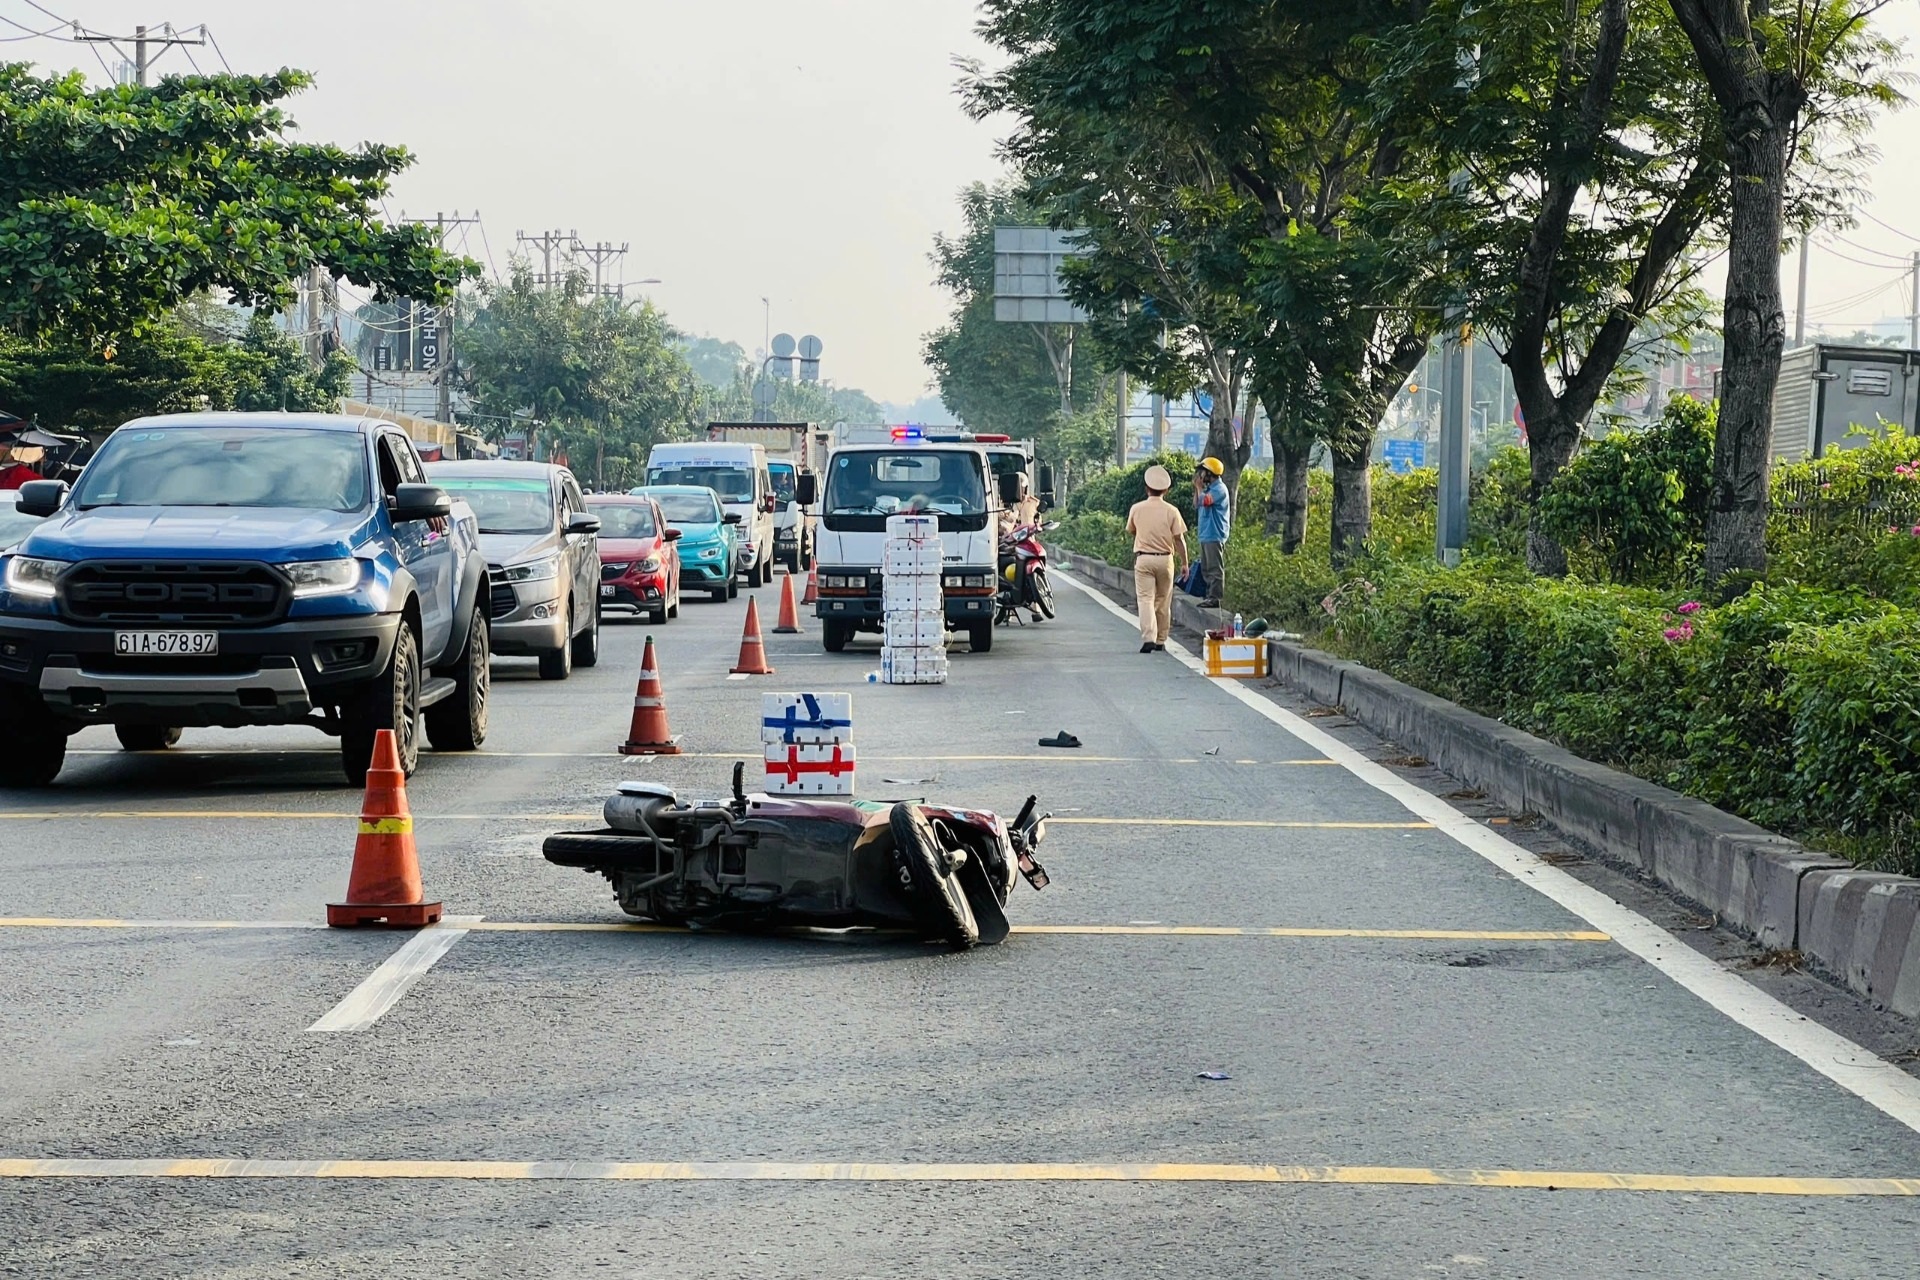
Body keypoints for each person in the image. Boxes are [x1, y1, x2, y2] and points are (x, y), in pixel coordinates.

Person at [1125, 463, 1187, 654]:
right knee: (1163, 600)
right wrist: (1185, 562)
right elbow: (1179, 539)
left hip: (1144, 559)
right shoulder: (1172, 511)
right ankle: (1161, 639)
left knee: (1145, 599)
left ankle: (1148, 638)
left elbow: (1131, 530)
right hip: (1165, 560)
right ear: (1166, 490)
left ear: (1146, 488)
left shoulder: (1136, 508)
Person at [1194, 456, 1230, 608]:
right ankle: (1209, 595)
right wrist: (1198, 488)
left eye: (1203, 472)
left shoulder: (1219, 489)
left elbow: (1206, 501)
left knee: (1215, 568)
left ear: (1210, 473)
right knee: (1206, 568)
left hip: (1215, 533)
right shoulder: (1207, 489)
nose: (1201, 475)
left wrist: (1199, 488)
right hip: (1205, 533)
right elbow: (1197, 503)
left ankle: (1215, 598)